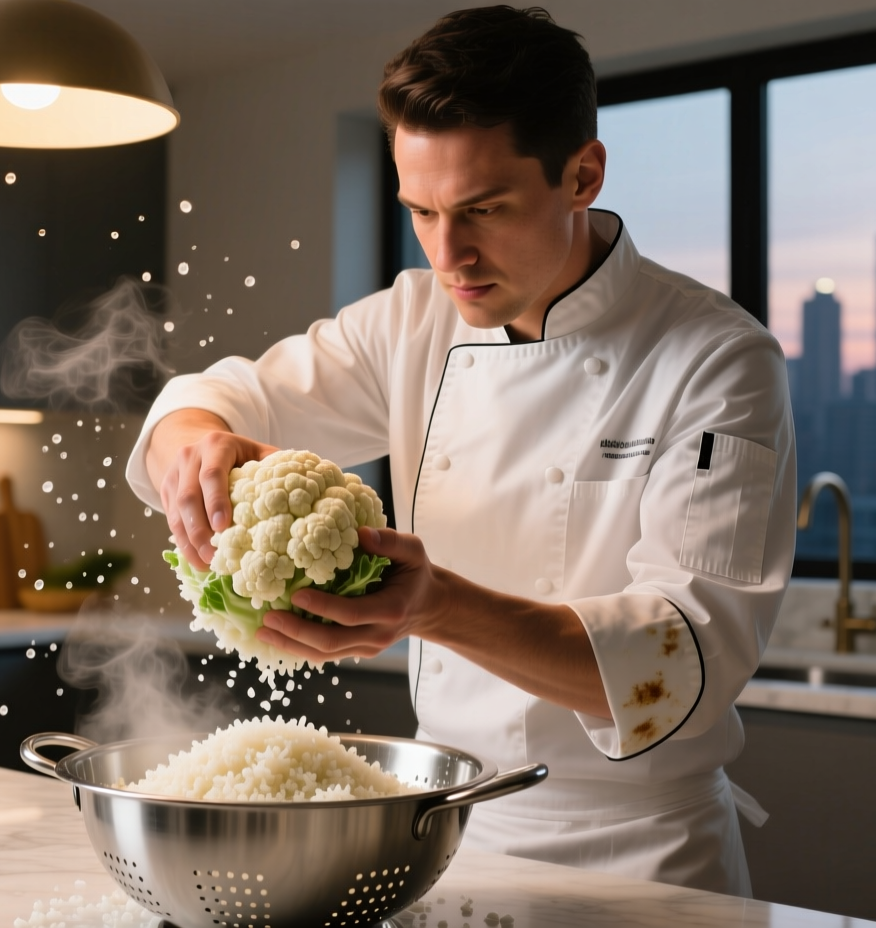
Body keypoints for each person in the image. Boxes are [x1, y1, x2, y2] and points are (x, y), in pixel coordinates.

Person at [126, 5, 794, 895]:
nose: (451, 256)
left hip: (645, 855)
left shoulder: (715, 358)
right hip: (447, 837)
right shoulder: (413, 321)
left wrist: (432, 606)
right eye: (421, 212)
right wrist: (195, 448)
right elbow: (219, 394)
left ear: (582, 174)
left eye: (484, 209)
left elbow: (679, 667)